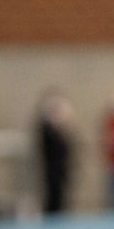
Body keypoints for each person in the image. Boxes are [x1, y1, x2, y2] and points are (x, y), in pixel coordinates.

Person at [33, 88, 77, 216]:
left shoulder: (61, 130)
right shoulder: (46, 129)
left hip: (61, 169)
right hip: (51, 170)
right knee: (53, 196)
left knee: (62, 197)